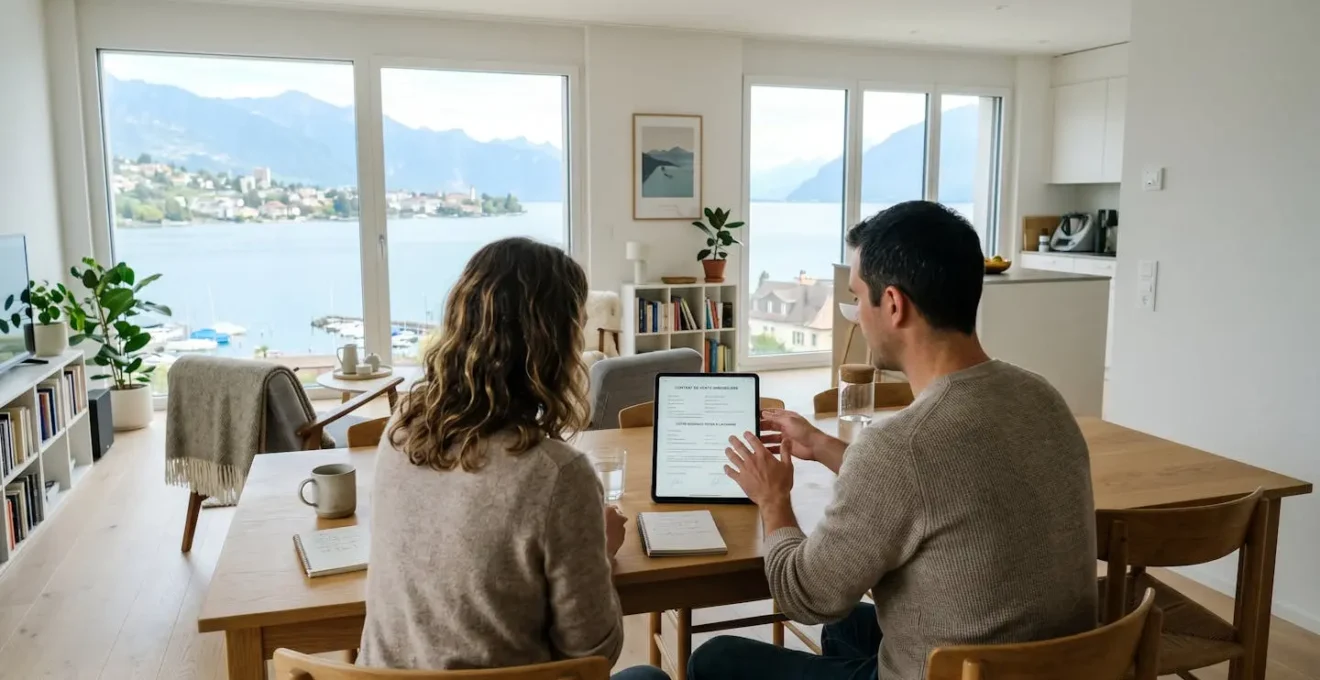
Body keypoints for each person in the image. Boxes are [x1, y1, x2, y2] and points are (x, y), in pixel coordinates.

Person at [689, 201, 1098, 680]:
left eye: (857, 298)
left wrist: (773, 498)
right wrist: (820, 444)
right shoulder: (1040, 395)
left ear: (894, 305)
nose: (856, 315)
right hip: (1060, 666)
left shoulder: (901, 446)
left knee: (715, 659)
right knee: (844, 630)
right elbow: (931, 487)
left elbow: (805, 595)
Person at [358, 237, 666, 680]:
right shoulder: (559, 475)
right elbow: (593, 654)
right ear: (554, 346)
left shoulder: (401, 431)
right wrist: (603, 550)